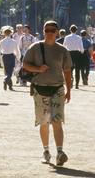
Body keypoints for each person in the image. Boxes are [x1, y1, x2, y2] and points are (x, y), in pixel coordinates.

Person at [22, 20, 73, 166]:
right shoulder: (35, 47)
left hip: (57, 89)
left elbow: (67, 71)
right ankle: (46, 151)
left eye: (52, 30)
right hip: (40, 88)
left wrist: (69, 90)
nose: (49, 33)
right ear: (43, 31)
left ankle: (60, 152)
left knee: (57, 121)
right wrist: (38, 69)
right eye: (47, 30)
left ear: (57, 32)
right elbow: (25, 64)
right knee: (44, 122)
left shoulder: (62, 50)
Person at [0, 27, 20, 91]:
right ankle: (6, 80)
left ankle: (10, 86)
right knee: (10, 71)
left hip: (4, 57)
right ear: (10, 33)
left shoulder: (2, 41)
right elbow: (17, 51)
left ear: (4, 34)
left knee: (7, 71)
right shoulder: (14, 41)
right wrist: (18, 58)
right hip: (11, 56)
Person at [62, 25, 85, 90]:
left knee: (69, 69)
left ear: (70, 30)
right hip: (77, 54)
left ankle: (70, 79)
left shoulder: (67, 37)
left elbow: (64, 46)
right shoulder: (79, 37)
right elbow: (81, 48)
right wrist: (82, 51)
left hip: (69, 54)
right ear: (76, 30)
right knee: (77, 69)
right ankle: (77, 84)